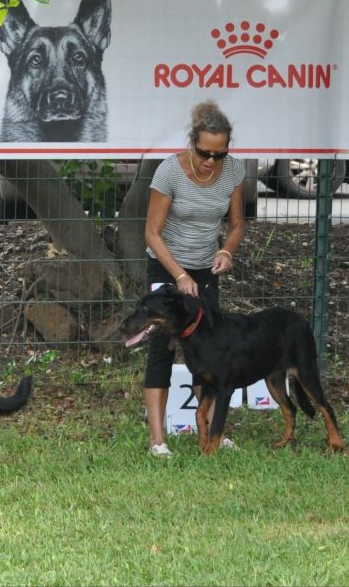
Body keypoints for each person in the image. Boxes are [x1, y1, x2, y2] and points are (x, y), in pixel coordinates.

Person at [142, 100, 246, 457]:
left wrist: (226, 252)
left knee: (210, 351)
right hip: (167, 269)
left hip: (205, 269)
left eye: (220, 154)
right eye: (205, 153)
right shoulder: (169, 172)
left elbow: (236, 225)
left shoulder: (233, 171)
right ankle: (157, 440)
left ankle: (214, 429)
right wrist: (180, 275)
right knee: (162, 348)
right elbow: (152, 234)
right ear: (192, 143)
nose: (211, 162)